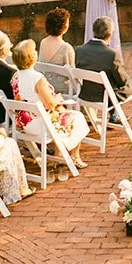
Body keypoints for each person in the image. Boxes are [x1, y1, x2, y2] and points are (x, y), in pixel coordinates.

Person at [9, 41, 88, 179]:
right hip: (40, 124)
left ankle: (60, 156)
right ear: (32, 57)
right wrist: (58, 99)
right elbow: (50, 104)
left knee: (63, 114)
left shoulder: (15, 76)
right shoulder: (37, 78)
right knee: (78, 116)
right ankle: (74, 156)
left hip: (24, 123)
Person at [76, 16, 132, 132]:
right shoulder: (111, 54)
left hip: (86, 94)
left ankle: (114, 116)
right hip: (108, 96)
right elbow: (123, 81)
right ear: (109, 35)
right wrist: (130, 77)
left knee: (109, 80)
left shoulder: (80, 50)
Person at [37, 7, 79, 97]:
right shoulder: (66, 48)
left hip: (46, 87)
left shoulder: (43, 42)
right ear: (65, 26)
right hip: (64, 91)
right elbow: (72, 75)